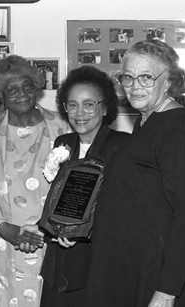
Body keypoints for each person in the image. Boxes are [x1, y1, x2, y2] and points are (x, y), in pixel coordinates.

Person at [84, 39, 185, 307]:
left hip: (154, 278)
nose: (134, 86)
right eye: (128, 77)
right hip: (128, 271)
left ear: (169, 80)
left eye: (146, 77)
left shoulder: (180, 129)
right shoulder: (147, 122)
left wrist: (167, 291)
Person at [0, 55, 71, 307]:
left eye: (27, 86)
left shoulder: (63, 128)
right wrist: (3, 229)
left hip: (46, 244)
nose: (21, 94)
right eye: (11, 89)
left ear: (37, 87)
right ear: (1, 94)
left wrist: (48, 228)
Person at [39, 66, 129, 307]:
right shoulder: (63, 143)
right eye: (73, 104)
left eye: (89, 104)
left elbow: (125, 212)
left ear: (106, 107)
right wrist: (52, 226)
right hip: (60, 256)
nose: (80, 113)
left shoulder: (123, 147)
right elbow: (59, 199)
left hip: (98, 259)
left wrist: (84, 234)